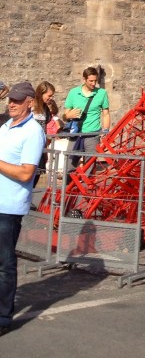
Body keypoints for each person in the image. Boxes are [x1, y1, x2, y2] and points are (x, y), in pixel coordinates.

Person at [0, 81, 46, 336]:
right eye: (10, 100)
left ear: (30, 102)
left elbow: (26, 172)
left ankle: (3, 318)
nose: (11, 104)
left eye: (17, 101)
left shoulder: (33, 132)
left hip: (8, 207)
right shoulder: (5, 126)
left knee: (4, 263)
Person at [62, 67, 110, 163]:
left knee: (90, 166)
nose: (93, 83)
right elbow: (65, 115)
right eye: (90, 81)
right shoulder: (73, 92)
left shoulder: (102, 93)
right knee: (70, 165)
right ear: (84, 79)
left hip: (93, 135)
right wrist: (68, 116)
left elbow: (106, 114)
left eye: (95, 81)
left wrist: (105, 131)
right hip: (75, 134)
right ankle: (69, 178)